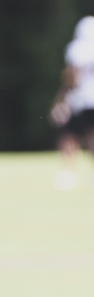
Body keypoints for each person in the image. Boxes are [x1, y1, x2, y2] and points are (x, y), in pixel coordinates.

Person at [50, 17, 94, 187]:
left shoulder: (77, 49)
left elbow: (72, 77)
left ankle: (69, 171)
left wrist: (61, 99)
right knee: (91, 135)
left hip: (81, 100)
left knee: (68, 135)